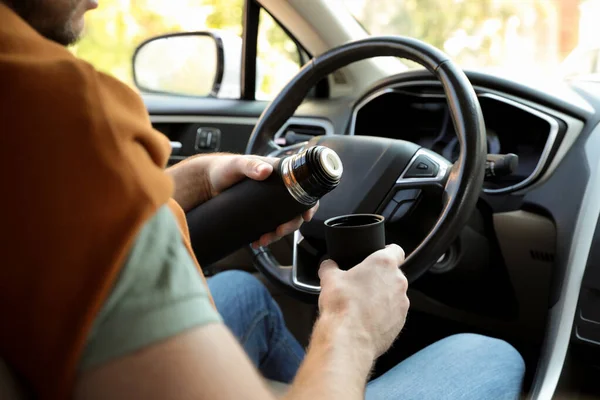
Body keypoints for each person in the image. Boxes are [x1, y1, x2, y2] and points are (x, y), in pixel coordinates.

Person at [0, 0, 526, 399]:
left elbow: (56, 223)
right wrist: (352, 329)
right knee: (488, 355)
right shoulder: (56, 109)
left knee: (243, 292)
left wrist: (192, 181)